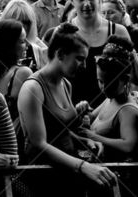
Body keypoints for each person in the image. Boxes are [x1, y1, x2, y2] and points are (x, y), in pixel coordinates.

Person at [17, 23, 117, 191]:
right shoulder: (33, 88)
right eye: (79, 59)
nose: (84, 66)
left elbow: (60, 132)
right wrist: (83, 166)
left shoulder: (66, 84)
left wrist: (85, 142)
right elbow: (38, 143)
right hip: (42, 180)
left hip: (67, 173)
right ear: (61, 54)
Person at [79, 36, 138, 162]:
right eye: (100, 81)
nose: (104, 88)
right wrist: (82, 109)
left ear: (125, 79)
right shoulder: (110, 99)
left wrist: (94, 137)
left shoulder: (127, 110)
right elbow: (90, 118)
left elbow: (128, 145)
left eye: (110, 83)